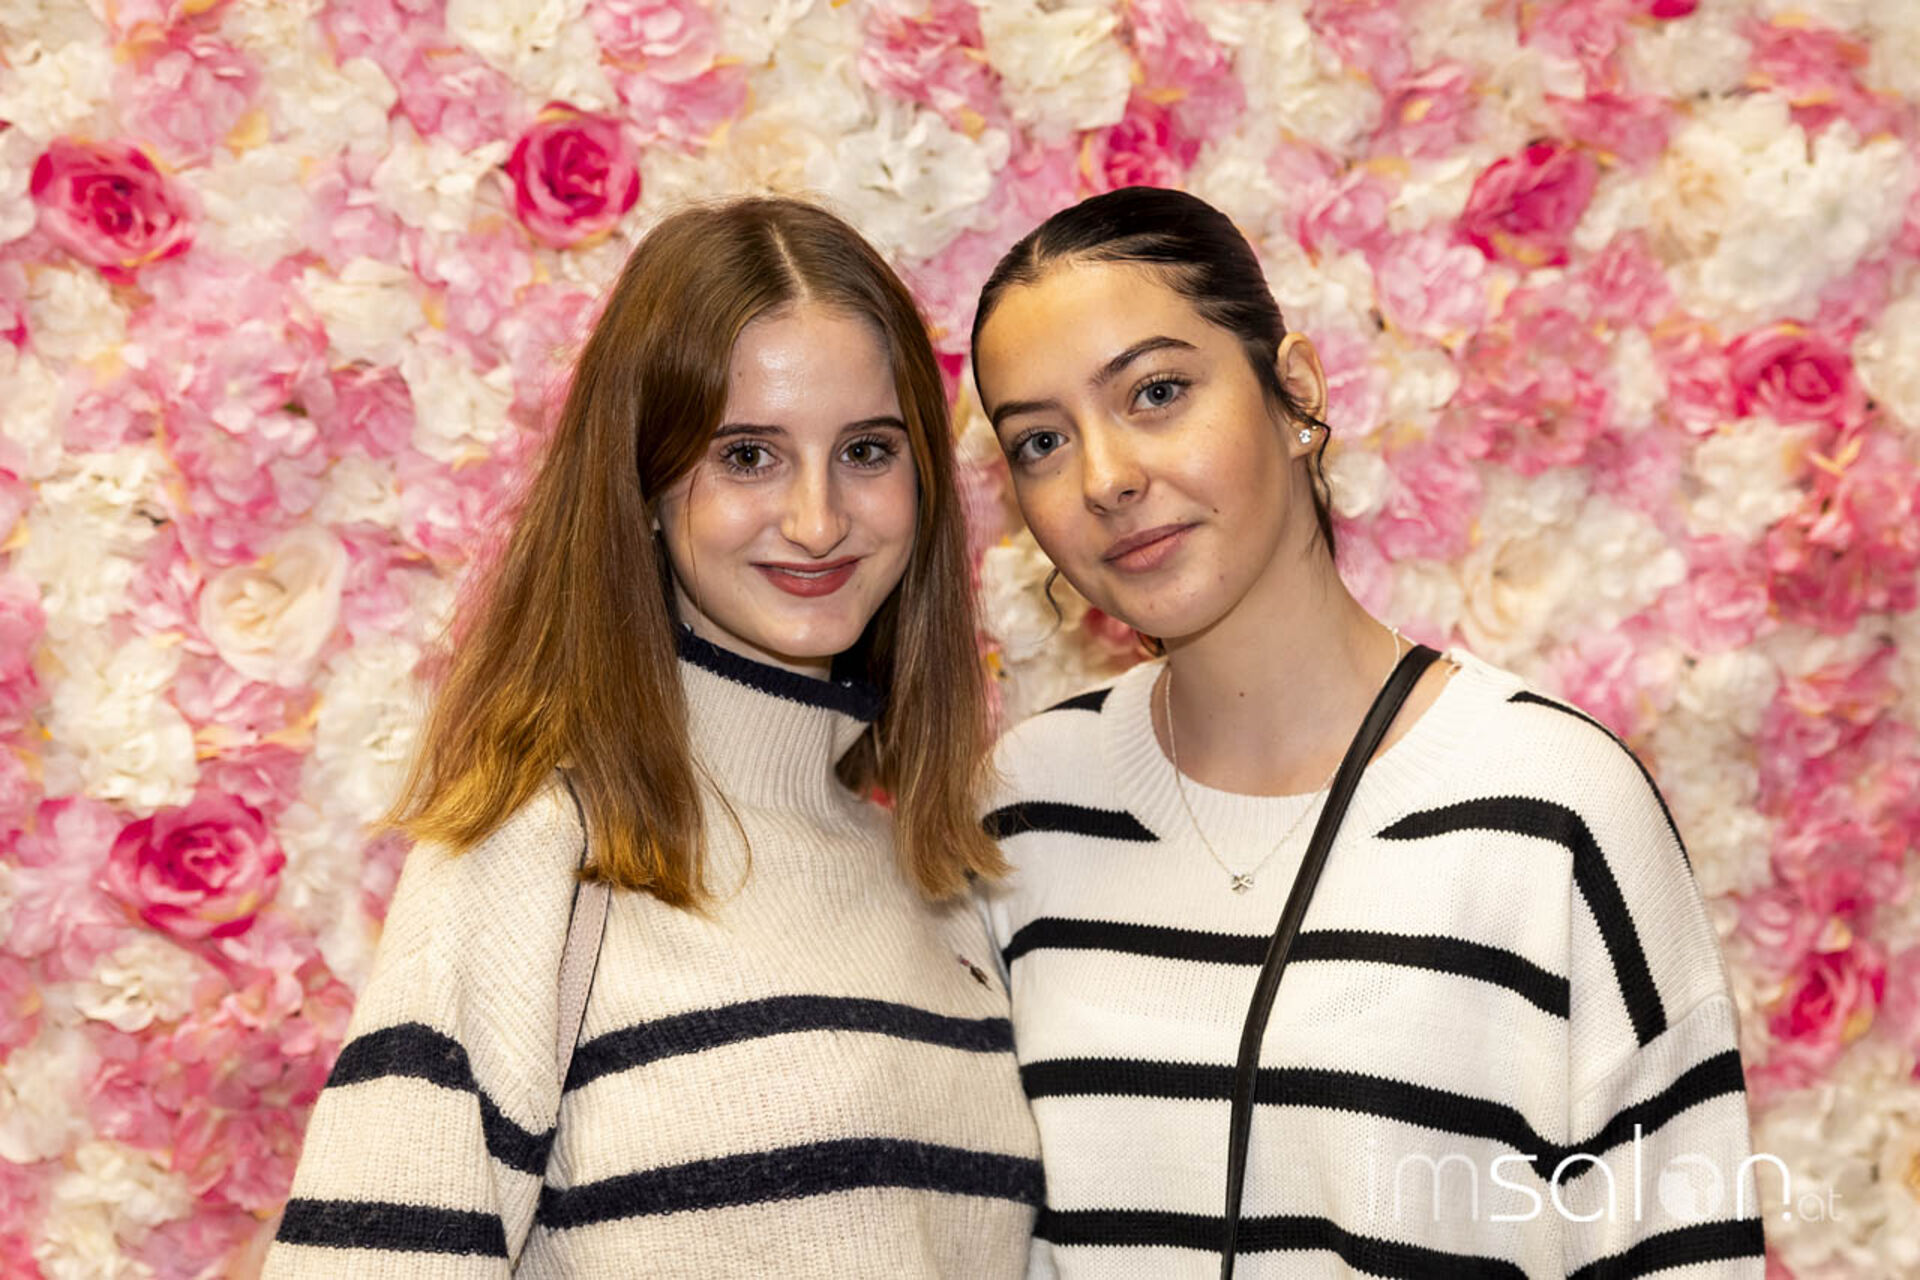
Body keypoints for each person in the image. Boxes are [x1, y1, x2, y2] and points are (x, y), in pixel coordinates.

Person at [968, 186, 1763, 1278]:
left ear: (1295, 392)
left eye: (1157, 391)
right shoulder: (1021, 805)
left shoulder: (1553, 803)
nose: (1106, 478)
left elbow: (1682, 1247)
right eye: (1041, 441)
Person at [265, 196, 1042, 1278]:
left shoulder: (940, 889)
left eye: (866, 450)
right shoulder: (537, 849)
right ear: (641, 480)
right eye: (748, 455)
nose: (818, 520)